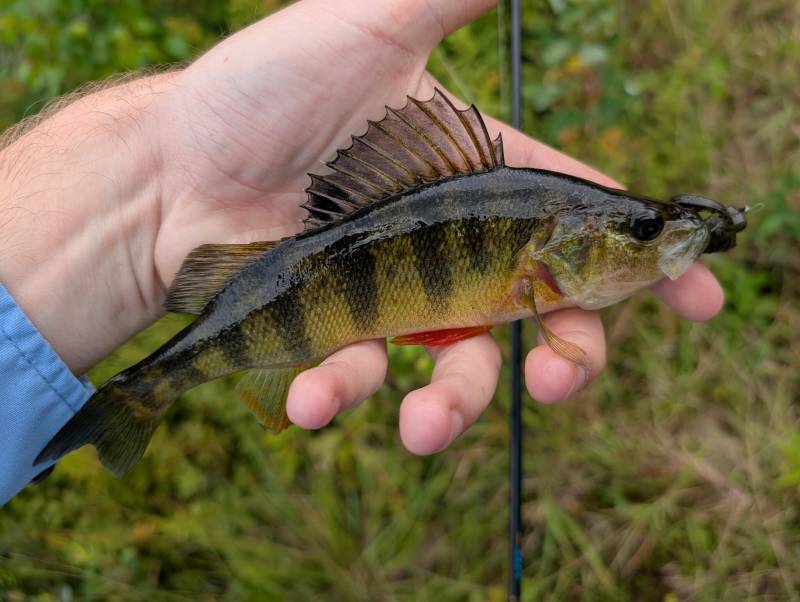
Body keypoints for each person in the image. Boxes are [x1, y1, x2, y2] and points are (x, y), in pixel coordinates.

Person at [0, 0, 723, 504]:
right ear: (557, 250)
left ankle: (136, 397)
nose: (655, 241)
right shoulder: (528, 251)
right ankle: (139, 397)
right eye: (640, 232)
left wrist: (150, 194)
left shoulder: (538, 243)